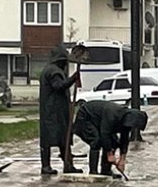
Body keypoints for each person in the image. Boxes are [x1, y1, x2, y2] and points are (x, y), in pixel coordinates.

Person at [73, 100, 148, 177]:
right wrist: (110, 154)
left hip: (99, 122)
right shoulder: (113, 116)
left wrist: (122, 159)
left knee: (114, 142)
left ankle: (106, 171)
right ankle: (93, 172)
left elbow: (124, 139)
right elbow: (105, 134)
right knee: (96, 141)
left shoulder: (126, 121)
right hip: (85, 117)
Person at [39, 45, 82, 175]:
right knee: (51, 138)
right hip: (53, 112)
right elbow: (58, 86)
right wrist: (72, 79)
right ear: (60, 60)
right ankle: (46, 166)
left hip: (56, 110)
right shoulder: (54, 71)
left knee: (64, 138)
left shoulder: (51, 69)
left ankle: (68, 164)